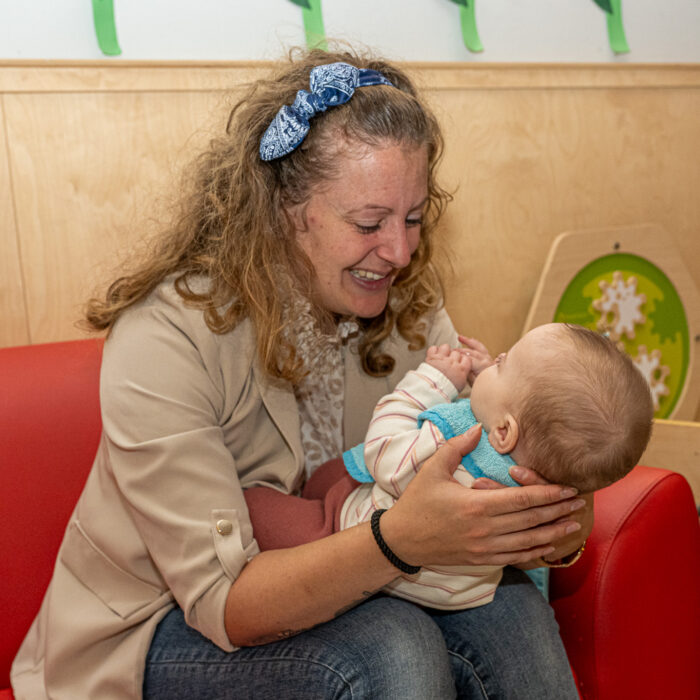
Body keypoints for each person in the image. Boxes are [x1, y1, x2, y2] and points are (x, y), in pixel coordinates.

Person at [11, 48, 591, 699]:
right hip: (161, 627)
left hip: (361, 578)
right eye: (368, 222)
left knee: (509, 607)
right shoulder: (167, 334)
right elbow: (225, 604)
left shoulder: (412, 314)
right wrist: (398, 540)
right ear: (284, 209)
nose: (399, 252)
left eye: (413, 219)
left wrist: (546, 523)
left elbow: (488, 455)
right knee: (390, 646)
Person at [340, 322, 654, 609]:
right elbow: (512, 418)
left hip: (380, 568)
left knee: (328, 486)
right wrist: (493, 384)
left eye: (502, 364)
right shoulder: (541, 478)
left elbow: (382, 452)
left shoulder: (450, 444)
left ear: (503, 431)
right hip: (465, 596)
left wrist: (429, 383)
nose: (498, 356)